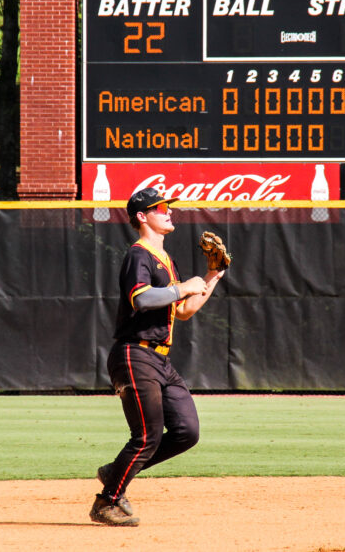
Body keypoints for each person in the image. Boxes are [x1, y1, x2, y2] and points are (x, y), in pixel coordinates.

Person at [90, 187, 226, 527]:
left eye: (167, 207)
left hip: (160, 361)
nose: (168, 211)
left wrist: (211, 277)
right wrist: (184, 286)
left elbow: (183, 311)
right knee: (147, 437)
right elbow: (142, 299)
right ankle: (106, 503)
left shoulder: (167, 260)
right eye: (160, 207)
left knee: (186, 431)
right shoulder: (139, 255)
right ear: (142, 216)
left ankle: (114, 472)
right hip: (134, 355)